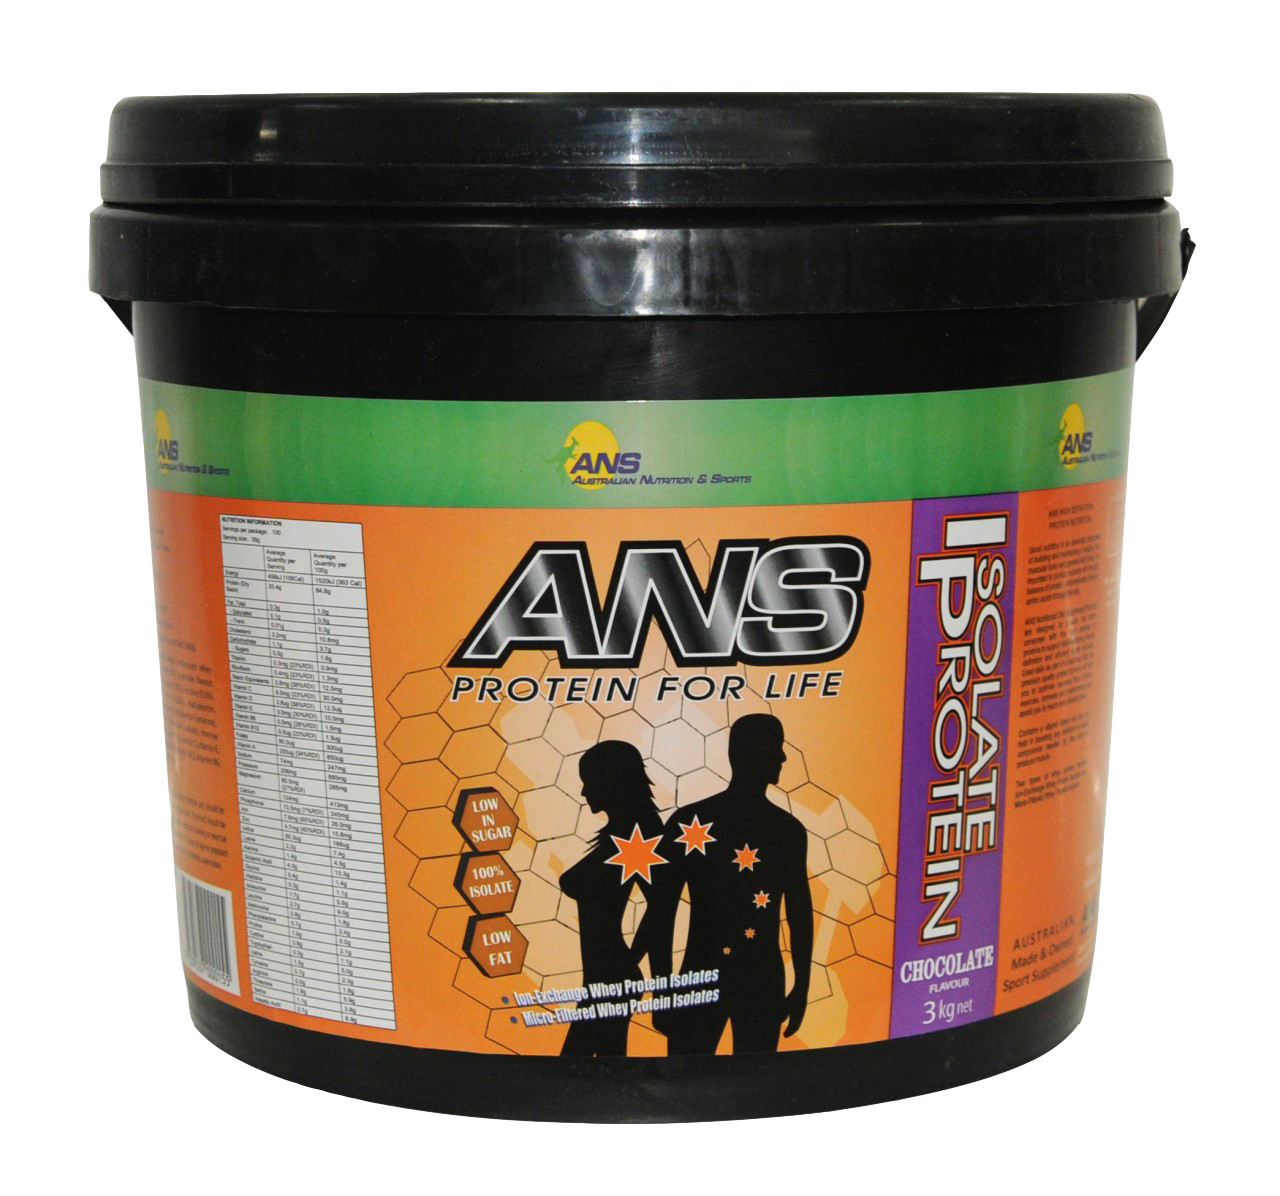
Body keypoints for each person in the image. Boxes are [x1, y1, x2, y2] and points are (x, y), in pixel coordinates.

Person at [634, 713, 813, 1054]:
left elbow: (800, 912)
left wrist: (802, 987)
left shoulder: (785, 830)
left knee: (744, 1081)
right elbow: (661, 911)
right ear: (747, 753)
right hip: (730, 979)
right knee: (694, 1078)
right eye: (774, 747)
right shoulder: (780, 829)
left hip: (740, 979)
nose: (782, 757)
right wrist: (663, 991)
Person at [558, 739, 665, 1057]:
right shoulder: (619, 834)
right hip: (601, 980)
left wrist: (630, 964)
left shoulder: (640, 834)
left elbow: (662, 905)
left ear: (611, 780)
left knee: (574, 1069)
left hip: (611, 979)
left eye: (589, 782)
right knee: (603, 1068)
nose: (584, 792)